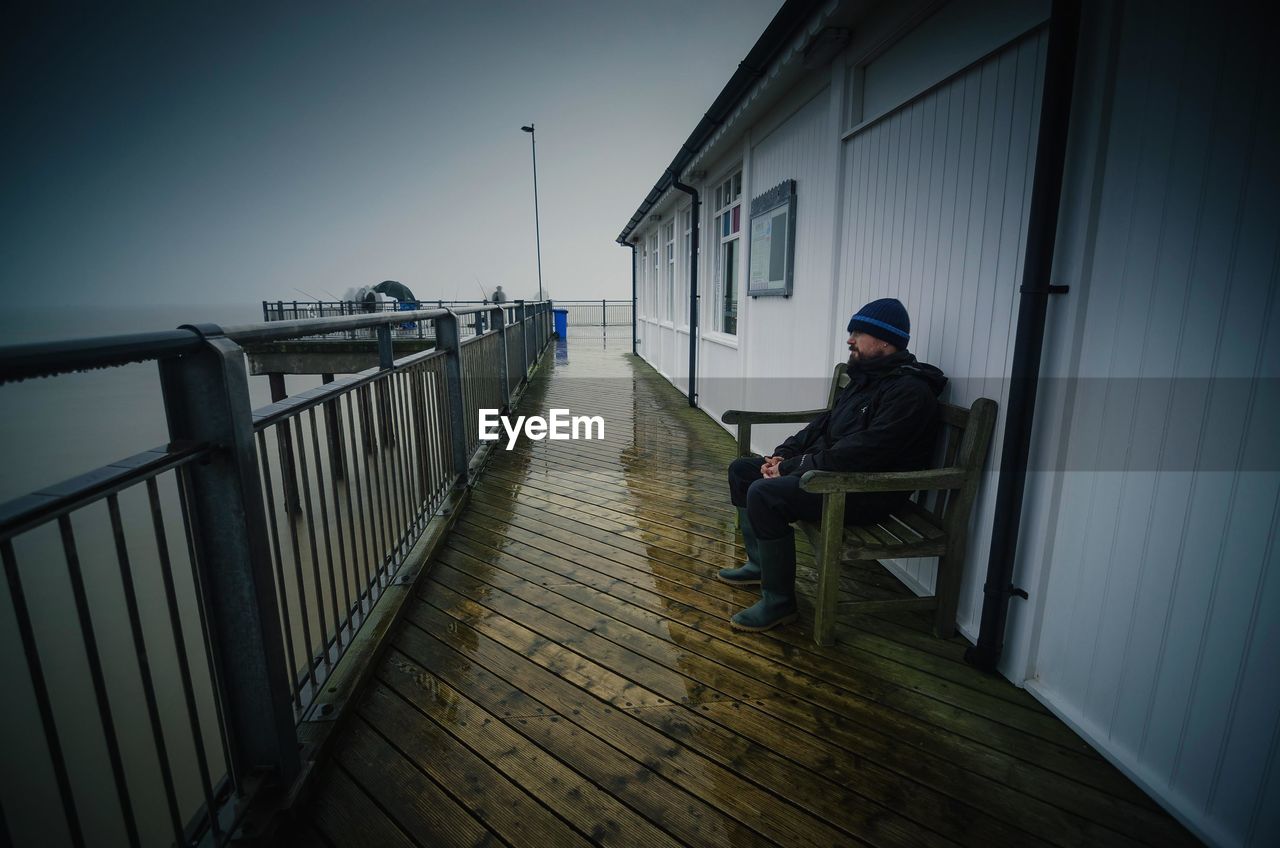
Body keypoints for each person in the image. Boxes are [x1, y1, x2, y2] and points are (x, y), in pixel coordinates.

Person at [723, 298, 947, 632]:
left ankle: (779, 602)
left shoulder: (909, 393)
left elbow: (863, 453)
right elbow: (821, 426)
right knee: (743, 470)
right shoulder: (865, 380)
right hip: (836, 477)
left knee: (765, 494)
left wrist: (791, 468)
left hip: (867, 492)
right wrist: (782, 455)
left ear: (885, 341)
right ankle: (759, 566)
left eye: (858, 333)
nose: (850, 340)